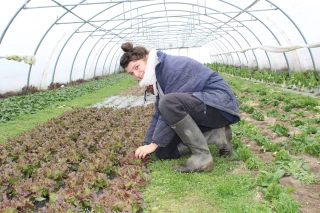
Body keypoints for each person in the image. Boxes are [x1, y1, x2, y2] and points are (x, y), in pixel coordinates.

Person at [119, 42, 240, 173]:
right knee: (163, 151)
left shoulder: (172, 68)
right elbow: (159, 113)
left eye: (137, 67)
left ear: (147, 57)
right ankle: (216, 135)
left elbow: (169, 106)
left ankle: (202, 158)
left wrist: (153, 144)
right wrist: (148, 143)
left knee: (168, 103)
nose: (136, 75)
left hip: (218, 106)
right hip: (202, 109)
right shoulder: (158, 74)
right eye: (132, 73)